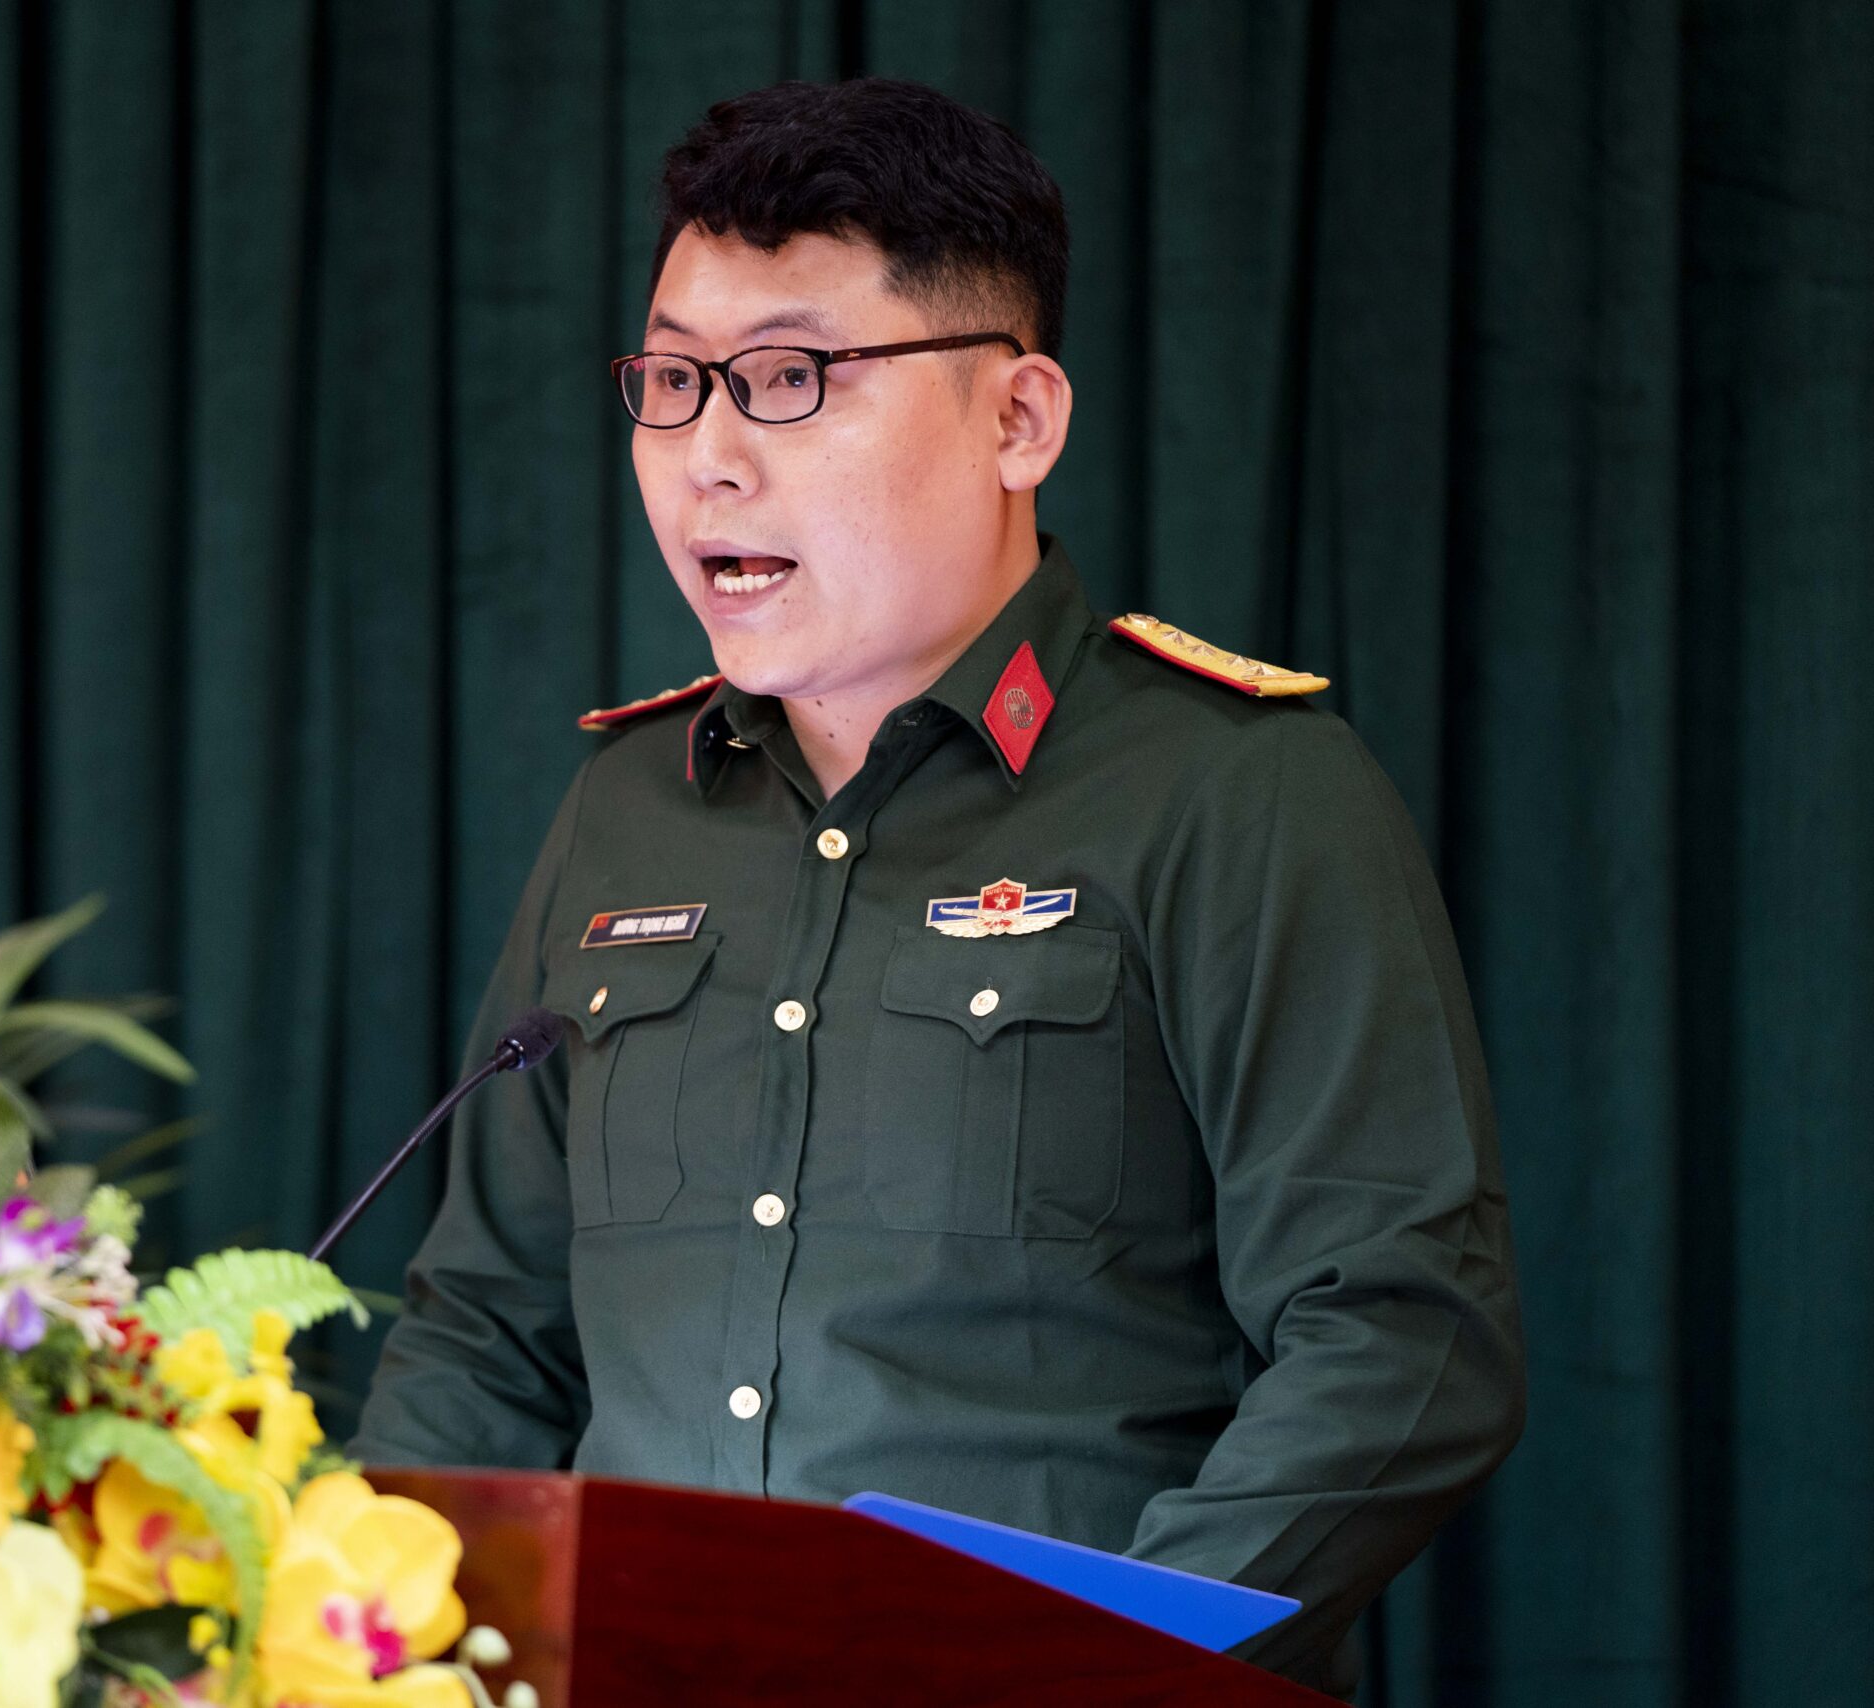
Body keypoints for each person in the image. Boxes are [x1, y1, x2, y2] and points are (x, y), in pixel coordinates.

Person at [349, 77, 1524, 1701]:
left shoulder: (1239, 790)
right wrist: (381, 1658)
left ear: (1017, 420)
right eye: (673, 383)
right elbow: (488, 1329)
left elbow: (1403, 1335)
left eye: (788, 379)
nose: (710, 459)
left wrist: (1095, 1667)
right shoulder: (627, 808)